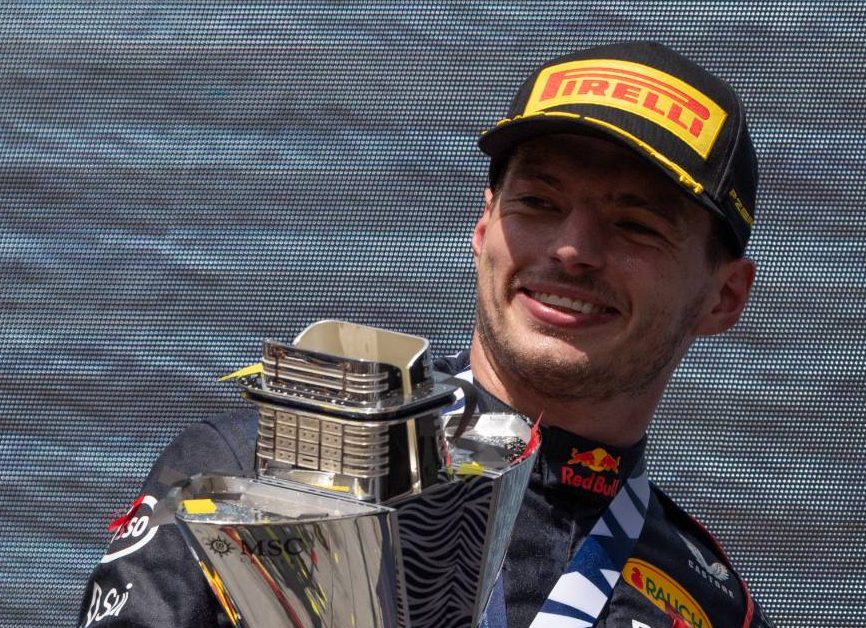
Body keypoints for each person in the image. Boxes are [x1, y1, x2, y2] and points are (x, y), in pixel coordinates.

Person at [78, 41, 773, 628]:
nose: (571, 249)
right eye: (539, 203)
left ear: (724, 296)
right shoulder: (265, 468)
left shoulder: (712, 602)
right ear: (484, 229)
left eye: (635, 225)